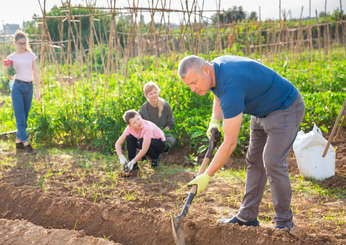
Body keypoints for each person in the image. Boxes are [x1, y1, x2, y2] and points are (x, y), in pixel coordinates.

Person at [178, 55, 305, 231]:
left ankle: (285, 223)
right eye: (189, 85)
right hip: (261, 110)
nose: (193, 88)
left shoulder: (231, 85)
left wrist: (207, 175)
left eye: (194, 82)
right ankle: (247, 217)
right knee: (254, 160)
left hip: (285, 107)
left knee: (272, 161)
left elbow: (230, 143)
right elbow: (218, 95)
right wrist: (214, 120)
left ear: (206, 70)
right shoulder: (214, 72)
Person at [5, 30, 40, 152]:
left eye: (25, 43)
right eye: (21, 43)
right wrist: (9, 68)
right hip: (18, 87)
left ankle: (18, 142)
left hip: (29, 87)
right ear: (15, 43)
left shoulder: (31, 56)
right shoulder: (11, 58)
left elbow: (35, 73)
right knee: (20, 116)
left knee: (24, 117)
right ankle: (25, 143)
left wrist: (38, 90)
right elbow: (11, 77)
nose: (23, 46)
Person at [115, 110, 167, 174]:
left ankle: (155, 158)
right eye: (134, 122)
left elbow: (144, 149)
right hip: (143, 141)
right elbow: (118, 143)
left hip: (159, 143)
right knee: (129, 137)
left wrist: (133, 161)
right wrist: (120, 156)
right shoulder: (129, 129)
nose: (138, 122)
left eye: (138, 119)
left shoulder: (147, 128)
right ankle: (133, 166)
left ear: (140, 117)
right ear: (130, 125)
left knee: (142, 142)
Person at [139, 81, 177, 148]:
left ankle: (162, 151)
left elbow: (171, 121)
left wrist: (166, 129)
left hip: (164, 132)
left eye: (155, 92)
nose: (154, 95)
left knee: (171, 140)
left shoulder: (165, 105)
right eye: (151, 94)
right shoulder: (143, 109)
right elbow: (140, 124)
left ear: (158, 92)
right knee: (142, 142)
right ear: (146, 96)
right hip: (150, 134)